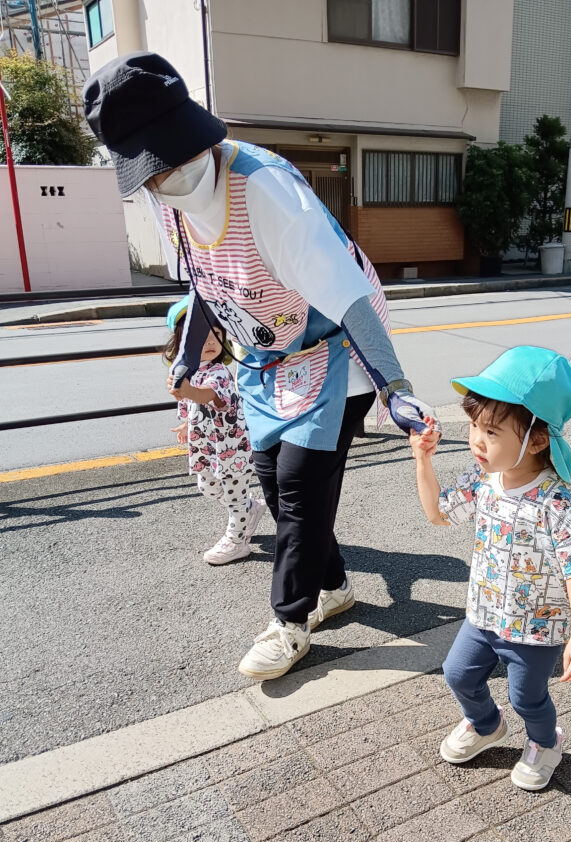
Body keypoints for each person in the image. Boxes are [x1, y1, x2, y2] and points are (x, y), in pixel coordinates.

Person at [83, 52, 438, 680]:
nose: (163, 178)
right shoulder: (169, 204)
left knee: (301, 489)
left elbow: (347, 294)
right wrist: (188, 359)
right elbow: (204, 287)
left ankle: (290, 622)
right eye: (150, 169)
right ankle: (332, 588)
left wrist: (397, 387)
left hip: (336, 350)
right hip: (265, 357)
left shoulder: (267, 190)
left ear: (192, 133)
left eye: (167, 159)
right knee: (275, 484)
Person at [408, 347, 571, 791]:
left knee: (527, 697)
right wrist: (423, 460)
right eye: (475, 426)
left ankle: (545, 742)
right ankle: (484, 725)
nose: (476, 439)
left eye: (492, 431)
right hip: (483, 614)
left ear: (537, 440)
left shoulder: (557, 502)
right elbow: (439, 514)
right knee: (457, 673)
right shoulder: (481, 479)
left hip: (535, 628)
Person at [163, 297, 266, 565]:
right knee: (207, 486)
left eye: (216, 335)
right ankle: (249, 510)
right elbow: (187, 403)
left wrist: (188, 392)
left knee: (234, 496)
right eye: (201, 336)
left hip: (231, 446)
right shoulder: (187, 369)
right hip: (207, 445)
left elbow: (211, 397)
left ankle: (237, 539)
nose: (209, 342)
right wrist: (186, 423)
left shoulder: (219, 371)